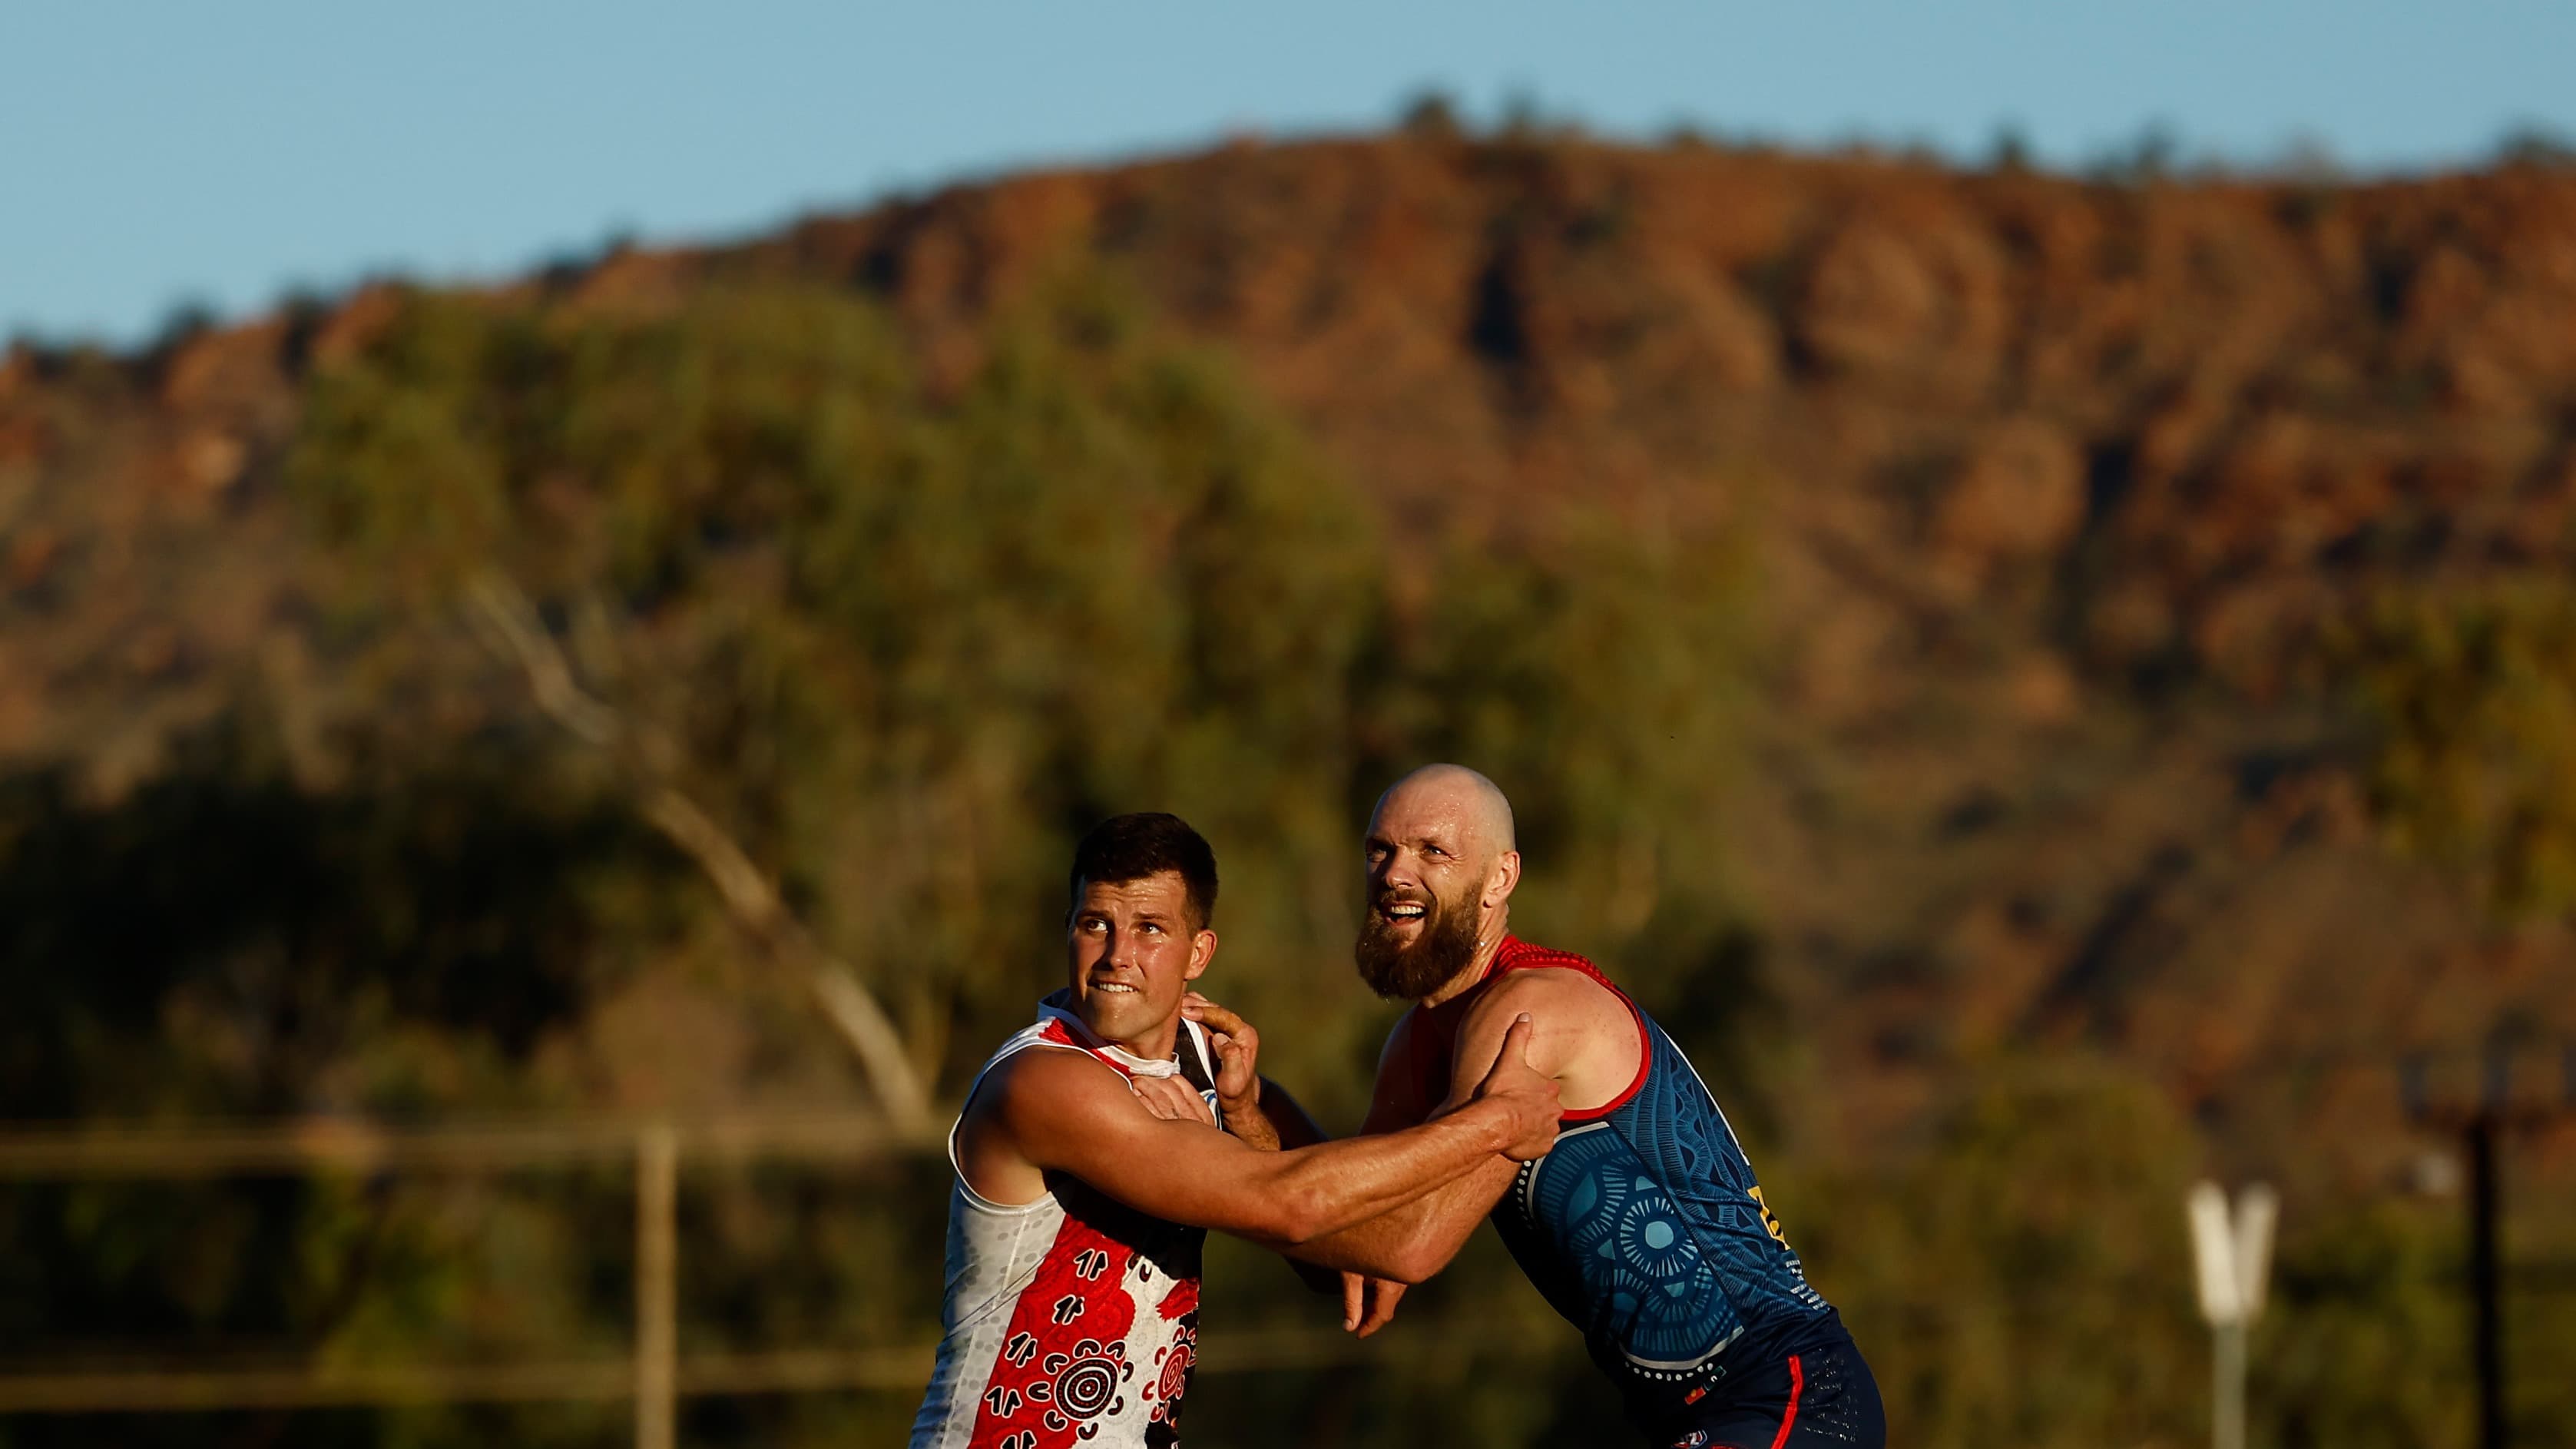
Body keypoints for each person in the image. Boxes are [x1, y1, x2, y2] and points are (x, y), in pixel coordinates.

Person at [1279, 765, 1887, 1449]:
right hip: (1684, 1420)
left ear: (1501, 879)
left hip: (1787, 1392)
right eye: (1379, 850)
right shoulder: (1416, 1047)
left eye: (1433, 852)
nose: (1394, 873)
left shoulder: (1529, 1011)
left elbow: (1409, 1244)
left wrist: (1196, 1175)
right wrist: (1247, 1106)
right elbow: (1347, 1254)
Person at [910, 811, 1561, 1449]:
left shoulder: (1201, 1057)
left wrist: (1247, 1112)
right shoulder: (1042, 1083)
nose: (1117, 955)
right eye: (1095, 924)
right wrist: (1499, 1119)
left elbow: (1341, 1261)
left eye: (1150, 929)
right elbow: (1293, 1207)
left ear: (1199, 953)